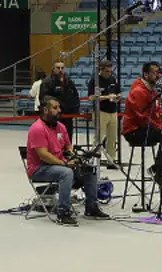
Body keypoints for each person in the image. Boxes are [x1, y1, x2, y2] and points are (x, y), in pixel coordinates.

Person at [27, 96, 111, 226]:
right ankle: (63, 213)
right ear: (45, 110)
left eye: (59, 107)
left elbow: (68, 145)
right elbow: (43, 155)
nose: (59, 110)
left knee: (89, 169)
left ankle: (91, 208)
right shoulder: (37, 128)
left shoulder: (60, 127)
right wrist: (65, 164)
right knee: (66, 173)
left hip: (59, 164)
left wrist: (72, 155)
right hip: (40, 168)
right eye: (55, 108)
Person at [122, 62, 162, 186]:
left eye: (158, 73)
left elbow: (155, 117)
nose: (158, 76)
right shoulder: (138, 91)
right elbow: (143, 119)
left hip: (148, 128)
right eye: (154, 73)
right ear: (146, 74)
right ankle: (159, 171)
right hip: (134, 131)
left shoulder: (153, 92)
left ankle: (157, 168)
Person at [87, 58, 121, 169]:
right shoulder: (95, 80)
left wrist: (118, 97)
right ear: (101, 70)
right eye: (107, 71)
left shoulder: (113, 79)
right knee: (98, 138)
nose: (109, 73)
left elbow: (118, 91)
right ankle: (94, 160)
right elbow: (91, 97)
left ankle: (111, 161)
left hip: (113, 111)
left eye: (110, 71)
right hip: (100, 111)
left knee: (112, 138)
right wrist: (106, 97)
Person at [39, 60, 81, 142]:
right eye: (58, 68)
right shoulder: (47, 82)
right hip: (55, 117)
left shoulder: (69, 81)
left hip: (68, 115)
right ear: (53, 69)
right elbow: (43, 98)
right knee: (57, 138)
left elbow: (75, 95)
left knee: (68, 136)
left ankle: (68, 152)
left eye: (62, 68)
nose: (60, 70)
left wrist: (76, 108)